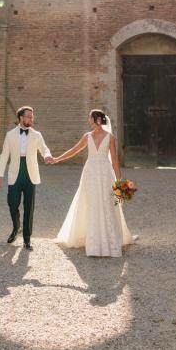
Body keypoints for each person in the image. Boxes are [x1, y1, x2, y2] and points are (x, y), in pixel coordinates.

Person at [51, 109, 135, 257]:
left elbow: (114, 159)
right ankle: (93, 240)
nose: (88, 121)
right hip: (90, 173)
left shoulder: (110, 137)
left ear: (97, 120)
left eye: (90, 118)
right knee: (90, 203)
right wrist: (57, 159)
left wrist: (120, 182)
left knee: (106, 203)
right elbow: (74, 150)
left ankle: (106, 239)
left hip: (104, 174)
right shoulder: (87, 136)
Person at [0, 105, 53, 250]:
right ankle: (16, 227)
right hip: (15, 172)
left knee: (29, 207)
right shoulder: (10, 135)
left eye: (32, 116)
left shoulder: (36, 135)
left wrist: (47, 155)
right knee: (12, 204)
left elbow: (44, 148)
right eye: (28, 116)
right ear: (21, 118)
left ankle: (27, 239)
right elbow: (4, 156)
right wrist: (0, 174)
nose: (31, 119)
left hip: (30, 174)